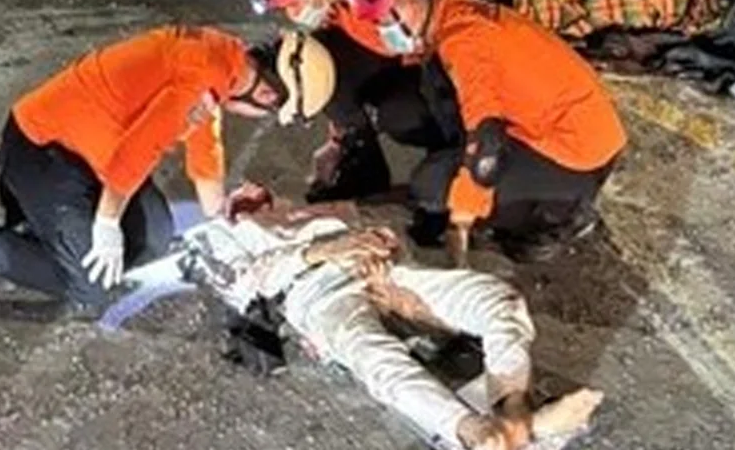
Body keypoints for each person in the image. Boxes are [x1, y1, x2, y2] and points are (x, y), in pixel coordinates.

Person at [180, 184, 605, 450]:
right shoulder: (228, 235)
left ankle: (514, 409)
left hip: (381, 275)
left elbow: (389, 221)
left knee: (496, 298)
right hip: (315, 295)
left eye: (259, 191)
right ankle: (479, 434)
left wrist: (396, 279)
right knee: (373, 357)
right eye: (243, 196)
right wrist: (319, 252)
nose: (253, 192)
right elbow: (238, 283)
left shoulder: (317, 209)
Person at [0, 25, 299, 315]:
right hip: (43, 148)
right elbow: (137, 152)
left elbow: (205, 151)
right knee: (89, 290)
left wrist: (221, 221)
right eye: (265, 114)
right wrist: (105, 225)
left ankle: (51, 234)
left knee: (154, 238)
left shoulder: (222, 63)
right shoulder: (204, 74)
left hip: (91, 153)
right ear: (265, 94)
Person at [345, 0, 628, 265]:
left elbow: (487, 144)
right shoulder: (452, 18)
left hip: (577, 153)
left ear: (409, 0)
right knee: (413, 106)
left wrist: (462, 214)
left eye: (384, 19)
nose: (383, 29)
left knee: (433, 186)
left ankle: (562, 213)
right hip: (555, 124)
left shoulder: (465, 41)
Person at [246, 0, 454, 203]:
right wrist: (338, 137)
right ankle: (361, 165)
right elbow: (333, 67)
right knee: (312, 57)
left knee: (402, 117)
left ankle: (451, 155)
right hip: (384, 56)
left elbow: (441, 41)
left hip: (426, 64)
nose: (293, 10)